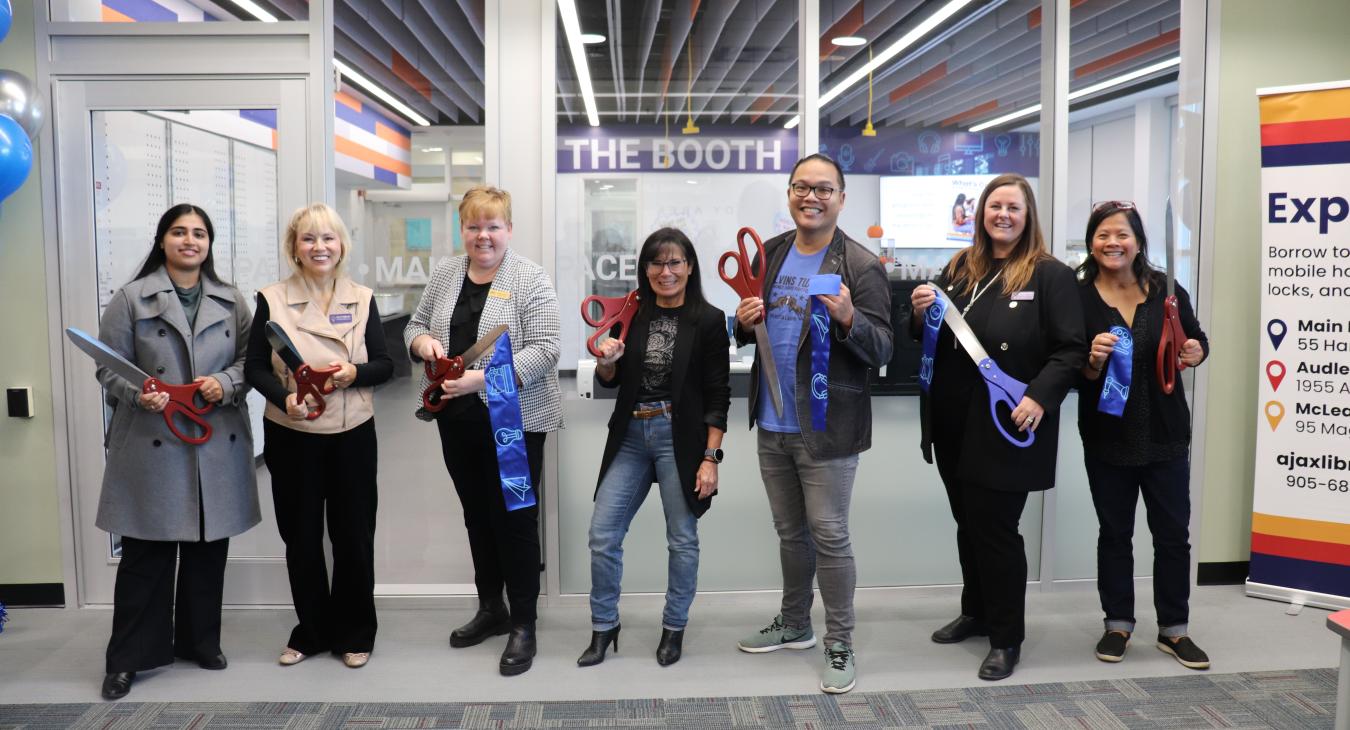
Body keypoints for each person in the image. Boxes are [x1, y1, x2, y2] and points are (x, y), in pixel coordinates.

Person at [910, 173, 1085, 681]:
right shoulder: (960, 268)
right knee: (969, 524)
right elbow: (932, 337)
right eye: (994, 206)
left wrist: (1039, 396)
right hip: (953, 421)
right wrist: (920, 316)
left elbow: (1071, 348)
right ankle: (978, 612)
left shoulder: (1049, 275)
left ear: (1028, 215)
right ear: (980, 214)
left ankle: (1007, 637)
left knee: (997, 530)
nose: (1002, 214)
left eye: (1013, 206)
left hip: (1009, 420)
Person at [733, 153, 893, 695]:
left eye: (824, 189)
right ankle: (795, 622)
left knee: (830, 534)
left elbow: (884, 348)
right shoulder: (772, 254)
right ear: (790, 194)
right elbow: (753, 328)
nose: (812, 197)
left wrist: (849, 318)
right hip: (772, 420)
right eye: (802, 187)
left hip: (827, 425)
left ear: (841, 199)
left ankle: (839, 641)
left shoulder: (861, 266)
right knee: (789, 533)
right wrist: (740, 323)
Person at [95, 204, 259, 700]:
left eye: (199, 234)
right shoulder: (130, 298)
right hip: (152, 440)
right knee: (146, 555)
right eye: (179, 232)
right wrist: (137, 392)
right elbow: (108, 366)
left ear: (209, 244)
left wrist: (225, 382)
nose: (190, 241)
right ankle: (128, 659)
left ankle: (200, 642)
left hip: (214, 438)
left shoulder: (231, 300)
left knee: (209, 551)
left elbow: (253, 362)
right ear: (162, 239)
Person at [404, 185, 562, 676]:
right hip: (456, 421)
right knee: (477, 516)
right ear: (462, 230)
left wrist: (481, 379)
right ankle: (492, 608)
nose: (483, 235)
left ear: (509, 230)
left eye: (493, 226)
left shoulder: (530, 278)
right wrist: (424, 341)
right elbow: (413, 326)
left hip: (513, 423)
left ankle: (524, 624)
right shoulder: (447, 274)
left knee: (514, 520)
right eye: (473, 226)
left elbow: (546, 348)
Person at [244, 203, 394, 670]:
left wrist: (354, 372)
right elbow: (253, 367)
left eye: (328, 238)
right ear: (295, 247)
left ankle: (355, 632)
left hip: (352, 433)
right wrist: (284, 397)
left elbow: (386, 366)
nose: (319, 247)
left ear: (341, 245)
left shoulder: (362, 298)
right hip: (293, 432)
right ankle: (310, 631)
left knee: (353, 537)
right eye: (308, 239)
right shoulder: (271, 299)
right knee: (302, 538)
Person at [578, 227, 731, 669]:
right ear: (645, 269)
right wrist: (606, 361)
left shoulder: (707, 320)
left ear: (689, 266)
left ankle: (673, 628)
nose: (665, 272)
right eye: (656, 263)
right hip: (629, 436)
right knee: (603, 535)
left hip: (677, 438)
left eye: (674, 262)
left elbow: (718, 396)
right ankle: (604, 627)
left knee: (682, 540)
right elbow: (614, 380)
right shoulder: (634, 311)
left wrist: (710, 458)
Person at [1076, 201, 1210, 669]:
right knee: (1115, 534)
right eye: (1103, 236)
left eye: (1122, 235)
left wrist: (1196, 350)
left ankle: (1174, 630)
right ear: (1091, 242)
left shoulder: (1167, 290)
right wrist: (1091, 361)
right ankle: (1118, 624)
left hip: (1167, 435)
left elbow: (1195, 340)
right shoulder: (1078, 296)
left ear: (1138, 242)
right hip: (1107, 438)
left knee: (1173, 536)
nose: (1113, 243)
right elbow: (1069, 368)